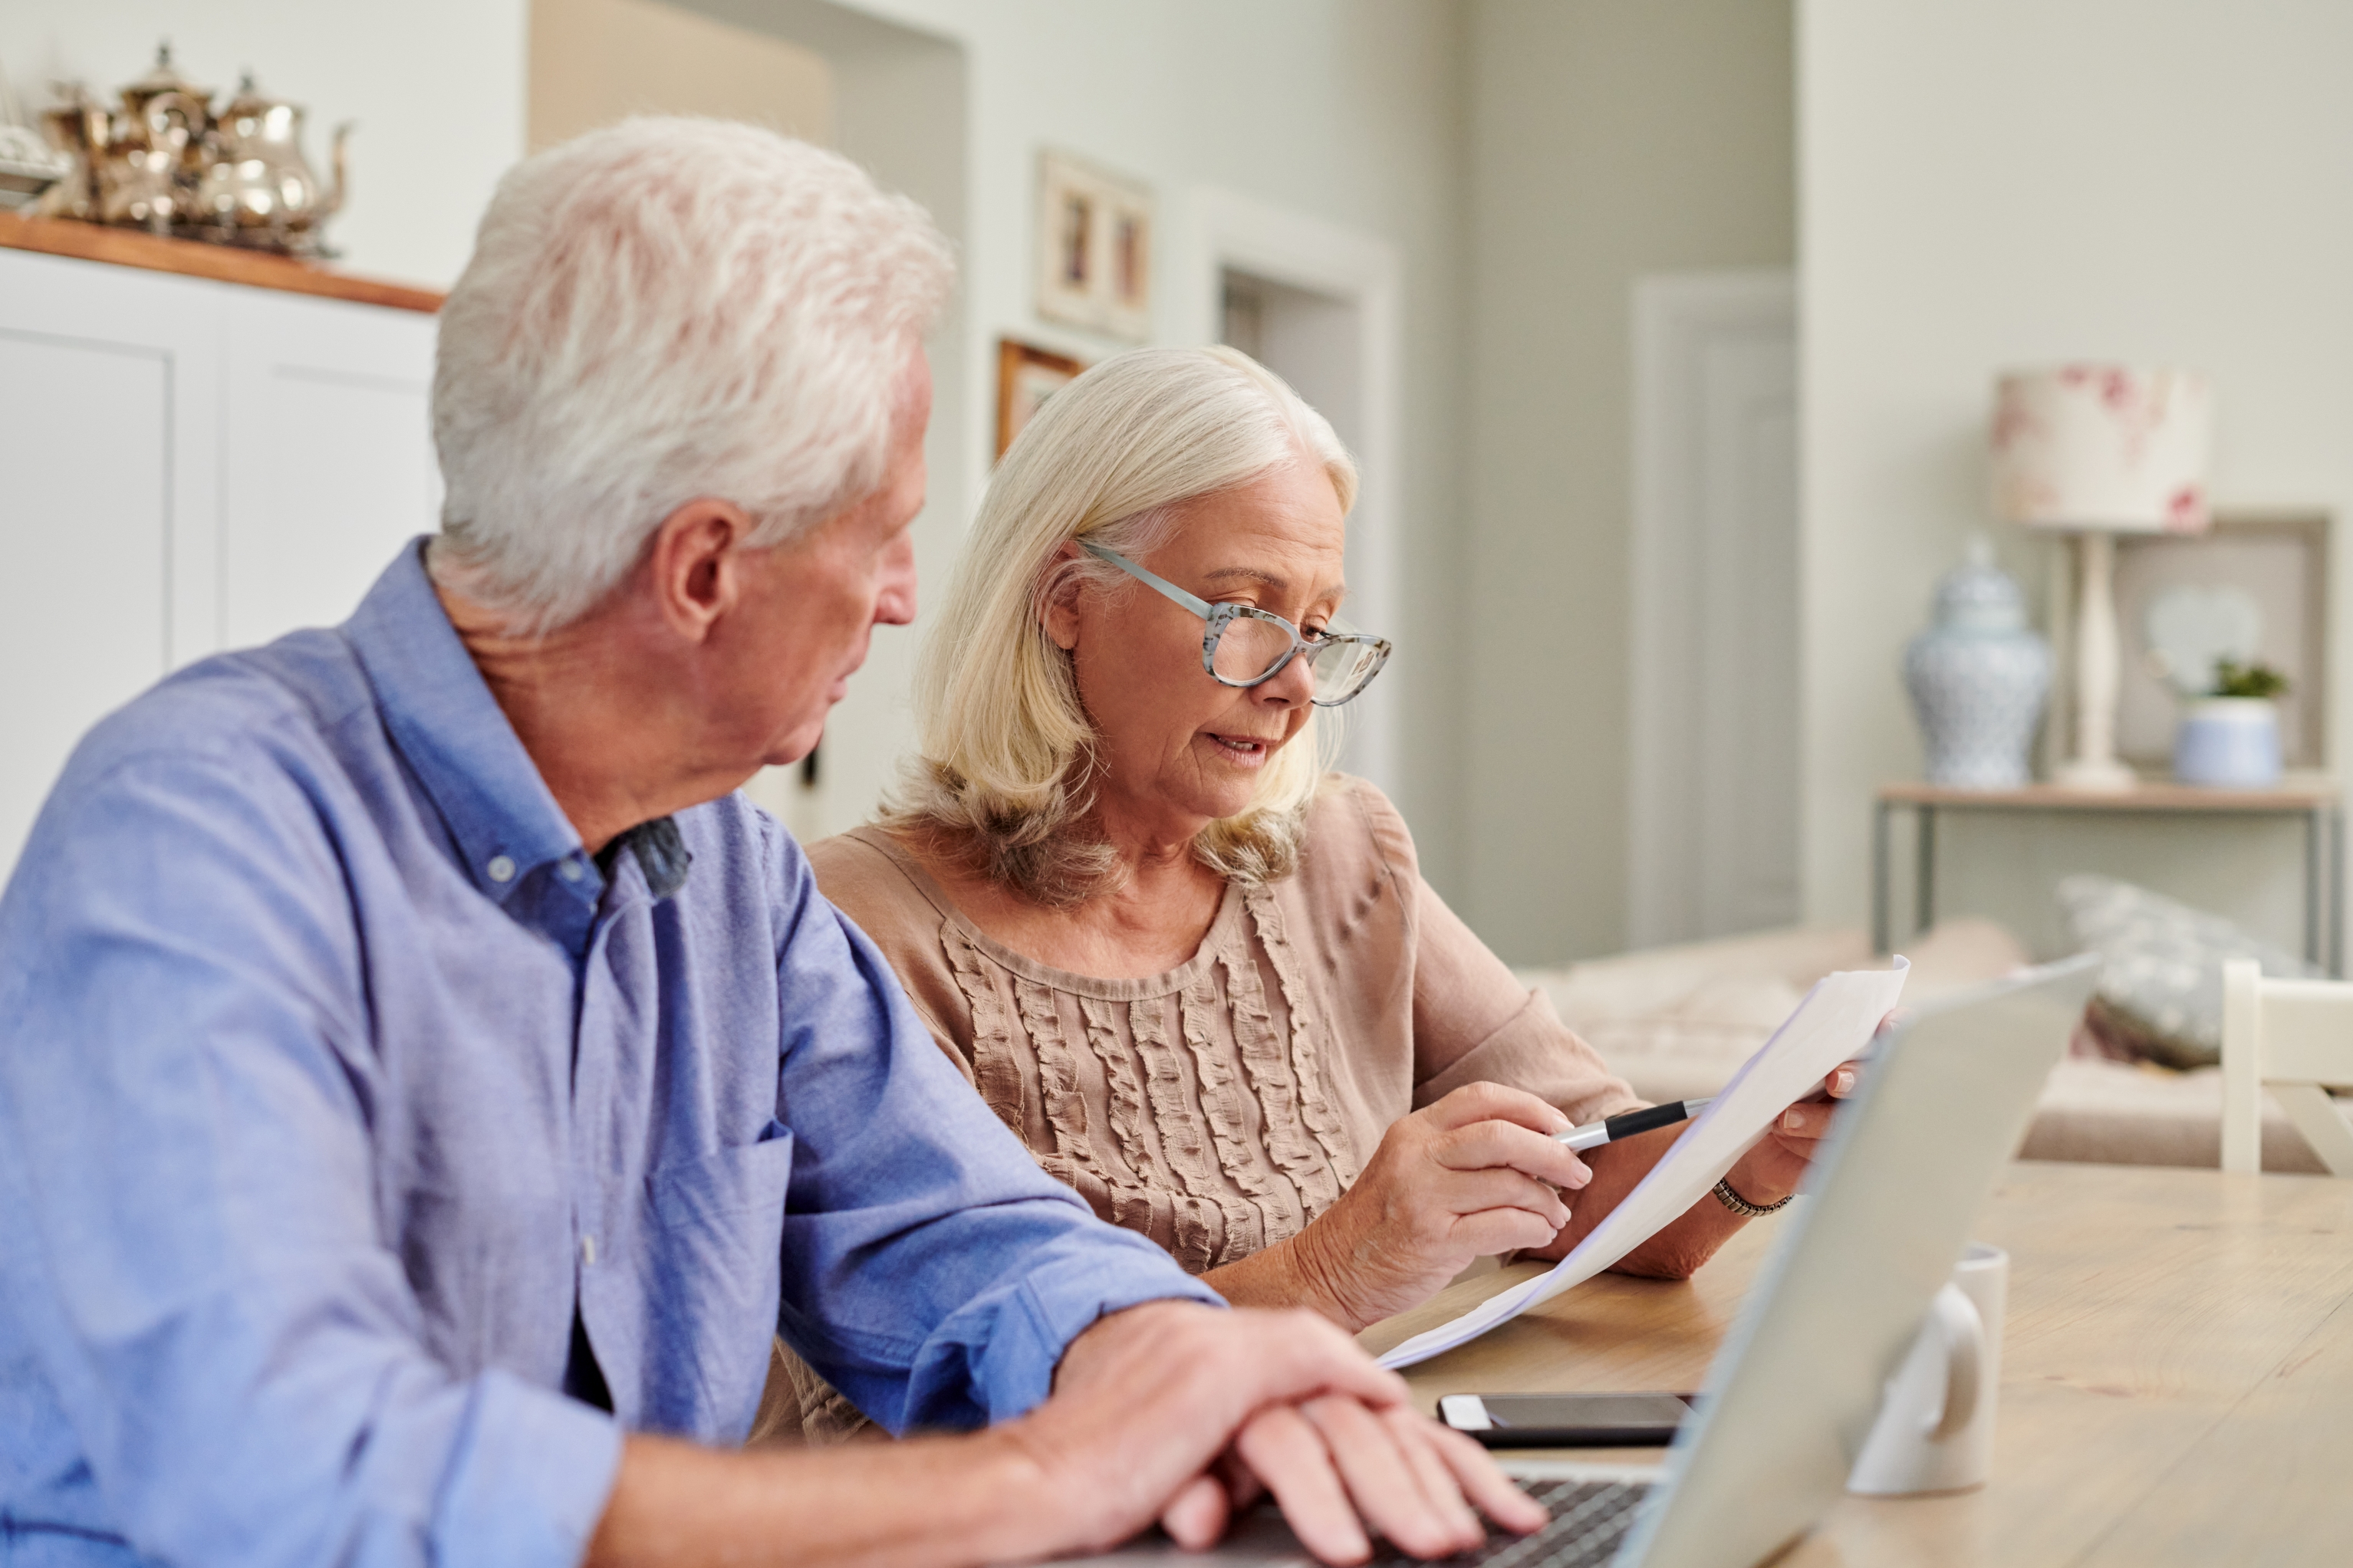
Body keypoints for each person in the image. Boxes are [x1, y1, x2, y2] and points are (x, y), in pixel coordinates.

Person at [0, 123, 1542, 1568]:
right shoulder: (196, 835)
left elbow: (966, 1235)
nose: (899, 596)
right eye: (880, 533)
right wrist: (1034, 1476)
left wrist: (1201, 1371)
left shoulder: (726, 879)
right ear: (704, 570)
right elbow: (285, 1464)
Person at [786, 345, 1861, 1436]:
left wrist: (1754, 1143)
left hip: (1370, 1471)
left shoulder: (1342, 853)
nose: (1296, 685)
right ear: (1068, 599)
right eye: (1242, 612)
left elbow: (1603, 1196)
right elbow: (917, 1394)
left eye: (1317, 627)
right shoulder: (851, 922)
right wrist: (1340, 1264)